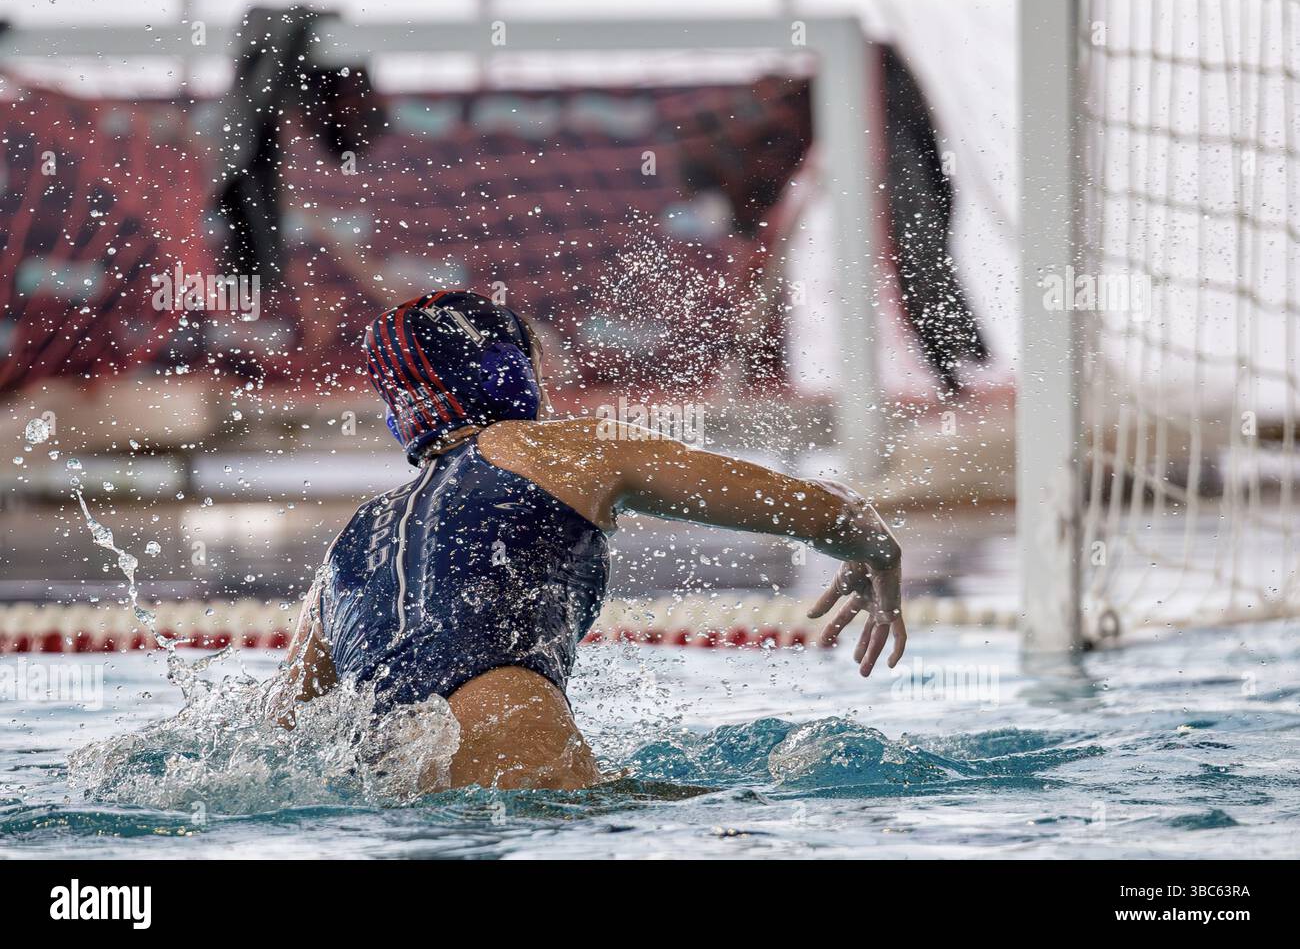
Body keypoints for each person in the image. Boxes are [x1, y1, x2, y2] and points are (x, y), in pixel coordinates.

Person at [280, 290, 905, 792]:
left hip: (393, 788)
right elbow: (818, 509)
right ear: (507, 372)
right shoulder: (560, 450)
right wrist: (877, 549)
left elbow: (285, 725)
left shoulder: (351, 543)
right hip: (515, 754)